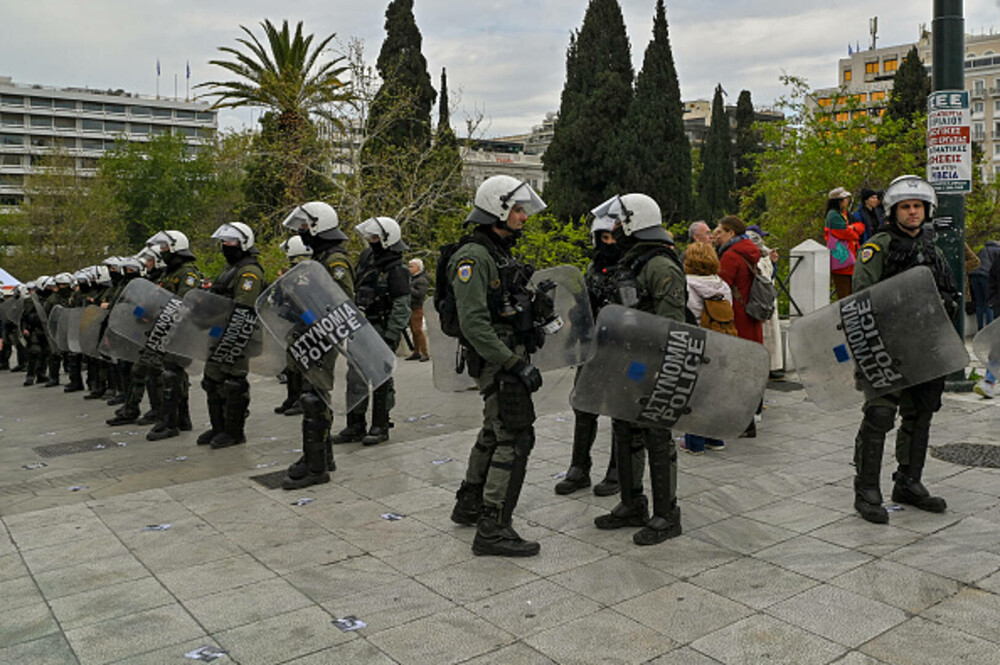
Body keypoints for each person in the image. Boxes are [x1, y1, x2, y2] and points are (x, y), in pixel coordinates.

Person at [447, 175, 547, 557]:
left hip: (506, 354)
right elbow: (474, 324)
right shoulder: (474, 257)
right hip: (497, 360)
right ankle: (493, 527)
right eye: (518, 209)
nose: (524, 217)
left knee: (494, 430)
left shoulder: (498, 251)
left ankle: (469, 503)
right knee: (514, 436)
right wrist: (513, 363)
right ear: (498, 209)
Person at [851, 175, 958, 524]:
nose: (912, 212)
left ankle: (908, 482)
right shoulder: (878, 247)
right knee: (880, 415)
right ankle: (866, 489)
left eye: (917, 206)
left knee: (921, 412)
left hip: (925, 346)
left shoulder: (934, 249)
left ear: (926, 210)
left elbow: (951, 294)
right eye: (906, 207)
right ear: (893, 211)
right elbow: (861, 297)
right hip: (887, 345)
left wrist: (945, 303)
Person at [591, 193, 685, 546]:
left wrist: (661, 369)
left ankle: (667, 514)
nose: (614, 229)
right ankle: (632, 504)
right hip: (628, 362)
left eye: (619, 222)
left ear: (635, 222)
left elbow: (672, 324)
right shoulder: (636, 261)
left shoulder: (660, 264)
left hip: (652, 363)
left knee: (656, 435)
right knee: (625, 428)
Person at [280, 202, 355, 489]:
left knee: (314, 399)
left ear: (318, 225)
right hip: (312, 333)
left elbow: (341, 300)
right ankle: (321, 456)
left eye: (304, 226)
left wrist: (310, 313)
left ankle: (317, 468)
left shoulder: (334, 260)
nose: (302, 231)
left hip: (323, 336)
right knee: (311, 395)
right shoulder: (321, 257)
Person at [553, 209, 620, 497]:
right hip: (592, 348)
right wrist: (570, 341)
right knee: (584, 406)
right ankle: (579, 468)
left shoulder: (629, 269)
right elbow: (581, 309)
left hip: (621, 350)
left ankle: (618, 470)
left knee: (621, 411)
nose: (608, 243)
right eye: (603, 237)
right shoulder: (593, 270)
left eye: (613, 237)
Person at [332, 217, 410, 447]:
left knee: (380, 379)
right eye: (370, 237)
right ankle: (355, 425)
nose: (371, 242)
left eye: (375, 238)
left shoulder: (397, 270)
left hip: (381, 328)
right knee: (354, 376)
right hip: (361, 326)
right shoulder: (368, 261)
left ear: (388, 239)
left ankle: (380, 425)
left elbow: (401, 306)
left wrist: (391, 337)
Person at [197, 222, 265, 450]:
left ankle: (234, 432)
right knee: (212, 380)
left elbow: (243, 309)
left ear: (244, 243)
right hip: (219, 332)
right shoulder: (230, 269)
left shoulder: (249, 272)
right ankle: (219, 427)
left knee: (233, 382)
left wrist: (231, 340)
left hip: (238, 335)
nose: (225, 246)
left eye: (230, 241)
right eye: (223, 242)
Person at [144, 231, 202, 441]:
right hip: (169, 329)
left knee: (171, 374)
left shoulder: (187, 273)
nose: (162, 251)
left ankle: (170, 423)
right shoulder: (170, 272)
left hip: (182, 330)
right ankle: (182, 419)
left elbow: (184, 300)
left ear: (176, 247)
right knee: (174, 374)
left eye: (165, 247)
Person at [681, 241, 733, 454]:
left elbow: (687, 313)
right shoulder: (722, 285)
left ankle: (694, 442)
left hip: (695, 341)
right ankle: (716, 438)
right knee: (713, 391)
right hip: (719, 341)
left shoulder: (686, 284)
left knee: (693, 393)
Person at [715, 215, 764, 438]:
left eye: (720, 232)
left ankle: (743, 423)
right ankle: (753, 413)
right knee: (750, 366)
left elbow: (721, 286)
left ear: (731, 233)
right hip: (752, 316)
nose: (718, 236)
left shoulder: (731, 256)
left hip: (737, 317)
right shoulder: (750, 250)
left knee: (736, 369)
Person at [273, 234, 313, 418]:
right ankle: (293, 396)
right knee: (292, 363)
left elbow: (305, 298)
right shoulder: (295, 272)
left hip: (306, 322)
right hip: (295, 322)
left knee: (303, 363)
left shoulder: (306, 272)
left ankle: (302, 399)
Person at [747, 224, 784, 380]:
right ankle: (770, 365)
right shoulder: (757, 255)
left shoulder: (763, 253)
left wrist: (772, 262)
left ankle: (773, 365)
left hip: (765, 296)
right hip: (760, 297)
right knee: (766, 332)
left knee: (770, 332)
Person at [825, 187, 866, 299]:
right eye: (845, 199)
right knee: (844, 293)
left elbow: (861, 226)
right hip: (842, 262)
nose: (847, 201)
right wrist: (854, 231)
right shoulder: (833, 215)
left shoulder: (844, 214)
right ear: (838, 201)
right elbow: (845, 233)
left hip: (850, 259)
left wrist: (852, 228)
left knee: (851, 291)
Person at [970, 240, 1000, 333]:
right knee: (989, 303)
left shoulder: (983, 249)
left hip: (974, 275)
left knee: (980, 303)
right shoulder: (997, 250)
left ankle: (980, 328)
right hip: (986, 276)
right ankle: (989, 330)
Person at [405, 259, 430, 362]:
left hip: (417, 306)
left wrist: (408, 288)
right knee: (413, 330)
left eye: (412, 267)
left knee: (418, 330)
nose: (409, 269)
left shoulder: (421, 280)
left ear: (418, 268)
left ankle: (424, 352)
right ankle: (416, 351)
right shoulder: (411, 278)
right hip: (410, 306)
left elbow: (420, 294)